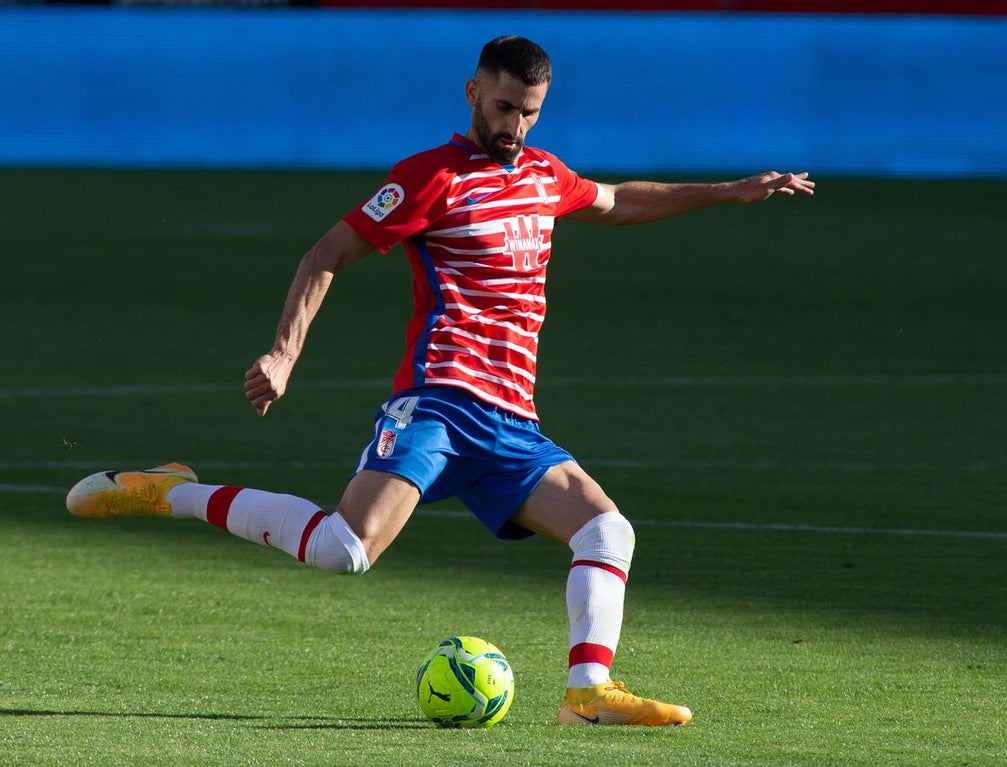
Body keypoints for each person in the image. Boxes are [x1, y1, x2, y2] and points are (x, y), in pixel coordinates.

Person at [66, 35, 814, 726]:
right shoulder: (430, 178)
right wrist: (284, 354)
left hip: (512, 421)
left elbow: (615, 201)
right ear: (472, 92)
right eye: (503, 107)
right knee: (344, 549)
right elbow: (325, 254)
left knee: (606, 529)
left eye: (529, 112)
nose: (514, 125)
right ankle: (170, 491)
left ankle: (588, 692)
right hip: (440, 404)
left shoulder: (544, 176)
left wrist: (730, 190)